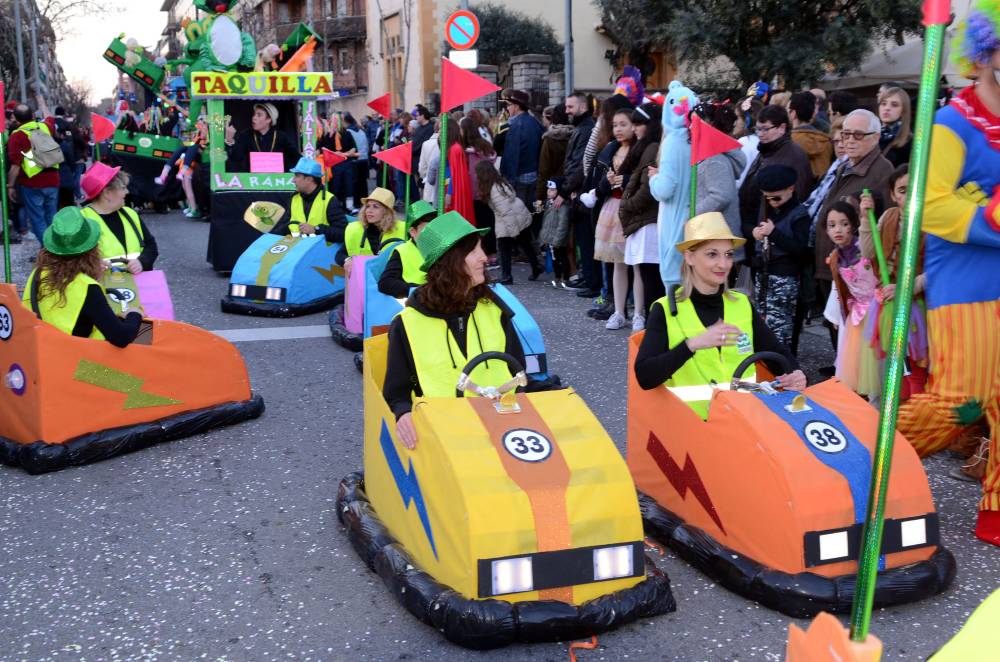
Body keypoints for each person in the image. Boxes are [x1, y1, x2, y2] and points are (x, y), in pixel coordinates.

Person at [896, 1, 1000, 546]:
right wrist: (987, 216)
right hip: (967, 281)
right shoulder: (950, 125)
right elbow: (927, 207)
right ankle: (871, 458)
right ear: (985, 55)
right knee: (961, 397)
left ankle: (997, 514)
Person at [634, 211, 805, 420]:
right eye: (712, 254)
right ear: (689, 256)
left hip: (741, 424)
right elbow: (645, 376)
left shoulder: (742, 304)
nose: (723, 264)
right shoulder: (665, 310)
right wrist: (692, 345)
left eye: (728, 254)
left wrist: (795, 373)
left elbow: (775, 352)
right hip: (691, 430)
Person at [383, 211, 526, 449]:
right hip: (443, 437)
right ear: (451, 261)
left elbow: (520, 375)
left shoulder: (495, 310)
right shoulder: (406, 323)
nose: (485, 258)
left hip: (504, 428)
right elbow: (396, 392)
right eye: (474, 251)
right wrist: (403, 413)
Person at [813, 109, 894, 328]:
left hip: (857, 269)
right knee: (835, 327)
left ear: (875, 137)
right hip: (835, 260)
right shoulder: (845, 165)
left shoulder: (882, 172)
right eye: (846, 134)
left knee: (851, 331)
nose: (849, 140)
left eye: (857, 135)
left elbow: (885, 224)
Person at [22, 207, 144, 347]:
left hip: (41, 352)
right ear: (91, 250)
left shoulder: (38, 272)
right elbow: (121, 337)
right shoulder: (87, 288)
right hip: (75, 362)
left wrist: (88, 271)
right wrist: (134, 314)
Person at [858, 164, 928, 400]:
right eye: (902, 190)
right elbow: (868, 252)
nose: (909, 196)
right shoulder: (889, 217)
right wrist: (865, 219)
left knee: (916, 365)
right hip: (886, 302)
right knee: (890, 363)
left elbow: (939, 269)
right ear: (893, 195)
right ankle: (890, 416)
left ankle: (913, 420)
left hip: (918, 305)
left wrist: (906, 288)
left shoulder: (933, 223)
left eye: (915, 188)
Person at [738, 104, 815, 267]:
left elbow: (796, 198)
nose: (760, 134)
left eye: (766, 129)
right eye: (758, 129)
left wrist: (770, 230)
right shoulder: (766, 151)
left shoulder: (794, 155)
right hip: (758, 234)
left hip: (776, 245)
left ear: (782, 128)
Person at [822, 201, 880, 399]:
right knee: (857, 363)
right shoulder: (836, 256)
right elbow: (840, 289)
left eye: (844, 223)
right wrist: (840, 316)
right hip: (856, 313)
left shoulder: (864, 248)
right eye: (832, 225)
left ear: (854, 225)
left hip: (878, 309)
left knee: (877, 363)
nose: (838, 230)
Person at [750, 165, 811, 348]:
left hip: (785, 279)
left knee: (781, 330)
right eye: (767, 197)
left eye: (776, 197)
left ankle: (783, 368)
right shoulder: (769, 208)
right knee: (762, 326)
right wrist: (756, 234)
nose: (772, 201)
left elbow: (801, 250)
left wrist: (773, 233)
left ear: (791, 188)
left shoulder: (799, 214)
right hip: (764, 275)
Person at [620, 102, 665, 328]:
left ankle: (653, 329)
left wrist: (627, 204)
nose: (634, 128)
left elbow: (647, 189)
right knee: (649, 277)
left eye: (639, 123)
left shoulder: (653, 147)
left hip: (648, 221)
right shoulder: (649, 146)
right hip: (645, 220)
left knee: (651, 280)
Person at [593, 107, 637, 330]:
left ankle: (639, 312)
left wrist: (625, 179)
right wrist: (607, 181)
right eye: (615, 125)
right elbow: (600, 185)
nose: (618, 129)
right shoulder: (611, 149)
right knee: (618, 264)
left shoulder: (642, 149)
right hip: (612, 207)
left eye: (623, 124)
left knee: (637, 264)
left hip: (632, 208)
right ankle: (619, 311)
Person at [693, 102, 746, 285]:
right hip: (712, 235)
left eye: (697, 122)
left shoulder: (714, 158)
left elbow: (721, 196)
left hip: (717, 235)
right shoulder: (708, 154)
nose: (691, 127)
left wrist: (691, 213)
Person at [80, 163, 158, 274]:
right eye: (123, 188)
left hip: (136, 284)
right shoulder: (82, 221)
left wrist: (141, 262)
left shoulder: (130, 213)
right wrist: (91, 265)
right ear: (107, 193)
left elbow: (151, 246)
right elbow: (71, 260)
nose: (127, 192)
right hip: (101, 286)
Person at [557, 92, 598, 296]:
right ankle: (587, 276)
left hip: (582, 192)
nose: (567, 111)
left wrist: (565, 190)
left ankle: (591, 280)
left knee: (586, 238)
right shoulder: (581, 129)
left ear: (583, 107)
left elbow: (581, 165)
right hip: (577, 191)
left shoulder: (587, 129)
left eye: (570, 107)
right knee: (582, 238)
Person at [476, 159, 541, 284]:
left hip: (509, 221)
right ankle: (536, 266)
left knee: (503, 247)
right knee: (526, 243)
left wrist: (513, 232)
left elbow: (505, 212)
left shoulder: (494, 191)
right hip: (520, 215)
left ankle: (507, 276)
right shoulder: (500, 182)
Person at [6, 103, 60, 243]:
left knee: (38, 220)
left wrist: (10, 186)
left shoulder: (16, 136)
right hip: (53, 179)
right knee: (51, 217)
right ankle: (56, 250)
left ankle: (49, 252)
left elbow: (15, 167)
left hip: (32, 184)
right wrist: (41, 102)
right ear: (33, 116)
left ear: (16, 120)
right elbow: (50, 117)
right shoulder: (45, 127)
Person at [275, 157, 348, 243]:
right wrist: (268, 238)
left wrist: (316, 229)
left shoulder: (330, 200)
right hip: (297, 252)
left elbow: (343, 233)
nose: (293, 180)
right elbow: (283, 227)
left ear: (309, 179)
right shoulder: (294, 198)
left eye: (297, 176)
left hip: (322, 254)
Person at [338, 187, 406, 272]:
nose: (369, 210)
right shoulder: (354, 229)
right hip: (362, 281)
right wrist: (347, 260)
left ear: (387, 211)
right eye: (368, 206)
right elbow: (340, 255)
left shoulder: (402, 229)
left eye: (375, 207)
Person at [378, 200, 437, 298]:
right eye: (426, 231)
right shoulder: (402, 252)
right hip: (415, 302)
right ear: (413, 232)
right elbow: (385, 283)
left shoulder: (443, 249)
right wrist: (417, 290)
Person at [498, 89, 544, 211]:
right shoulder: (536, 122)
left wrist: (507, 179)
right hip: (535, 175)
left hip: (519, 178)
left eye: (508, 105)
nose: (506, 108)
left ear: (517, 106)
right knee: (534, 211)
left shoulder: (516, 125)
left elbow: (512, 155)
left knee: (520, 214)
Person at [224, 102, 300, 173]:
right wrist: (230, 140)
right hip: (252, 181)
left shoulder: (281, 137)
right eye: (254, 114)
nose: (254, 118)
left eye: (259, 115)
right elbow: (236, 157)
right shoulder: (246, 135)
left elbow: (295, 157)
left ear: (269, 119)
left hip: (275, 182)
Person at [789, 91, 834, 180]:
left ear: (793, 114)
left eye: (789, 110)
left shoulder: (788, 143)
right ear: (813, 114)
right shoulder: (826, 141)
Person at [536, 104, 573, 204]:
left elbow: (544, 170)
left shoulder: (549, 139)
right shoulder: (575, 135)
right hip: (570, 186)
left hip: (552, 188)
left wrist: (539, 197)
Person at [877, 87, 913, 167]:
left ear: (903, 111)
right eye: (883, 104)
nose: (887, 108)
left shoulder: (910, 142)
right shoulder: (871, 136)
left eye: (894, 105)